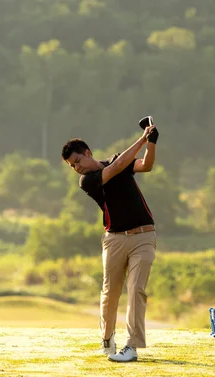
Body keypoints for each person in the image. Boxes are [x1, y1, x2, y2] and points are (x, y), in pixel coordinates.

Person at [61, 123, 159, 362]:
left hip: (144, 237)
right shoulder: (88, 181)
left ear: (88, 153)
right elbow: (116, 167)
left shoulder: (120, 162)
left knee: (136, 289)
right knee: (110, 291)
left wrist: (152, 142)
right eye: (72, 166)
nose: (77, 168)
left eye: (77, 161)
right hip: (115, 239)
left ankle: (132, 347)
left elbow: (146, 165)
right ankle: (107, 338)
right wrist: (143, 139)